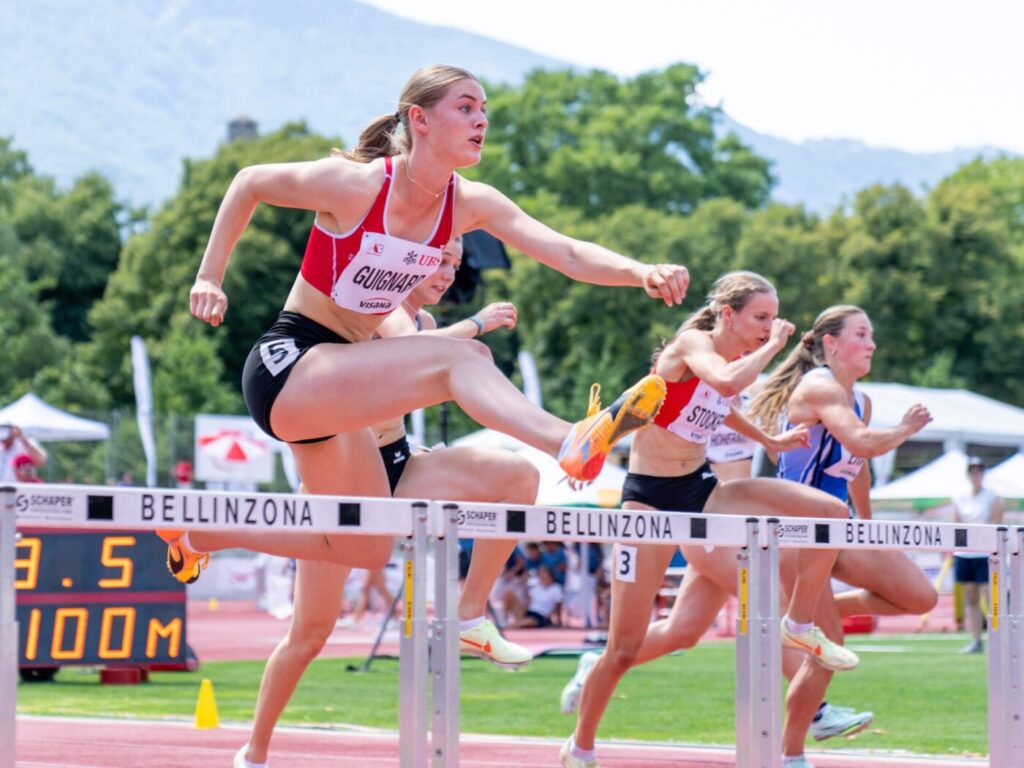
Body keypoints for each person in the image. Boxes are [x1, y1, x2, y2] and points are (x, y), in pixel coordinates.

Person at [159, 64, 688, 589]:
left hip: (342, 394)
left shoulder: (470, 203)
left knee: (363, 545)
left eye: (484, 110)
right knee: (465, 357)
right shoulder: (358, 186)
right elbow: (249, 182)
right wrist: (209, 277)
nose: (480, 120)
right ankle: (568, 441)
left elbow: (567, 251)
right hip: (292, 366)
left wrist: (640, 271)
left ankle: (199, 535)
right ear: (421, 119)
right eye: (465, 108)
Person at [232, 238, 549, 767]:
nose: (449, 273)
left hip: (399, 467)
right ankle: (254, 750)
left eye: (455, 263)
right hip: (341, 479)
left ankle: (470, 614)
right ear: (410, 261)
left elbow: (427, 356)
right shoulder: (369, 308)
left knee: (519, 477)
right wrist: (476, 324)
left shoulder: (420, 324)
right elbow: (434, 360)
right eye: (441, 261)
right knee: (309, 635)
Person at [560, 273, 858, 768]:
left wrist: (770, 441)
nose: (767, 327)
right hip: (648, 502)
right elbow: (723, 383)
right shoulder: (693, 344)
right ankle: (581, 746)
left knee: (828, 510)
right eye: (760, 317)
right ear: (728, 313)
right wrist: (778, 346)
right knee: (623, 648)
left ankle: (799, 623)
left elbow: (721, 405)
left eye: (771, 319)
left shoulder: (734, 361)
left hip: (702, 492)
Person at [952, 456, 1004, 654]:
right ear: (968, 475)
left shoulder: (993, 496)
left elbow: (995, 524)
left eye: (979, 471)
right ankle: (975, 640)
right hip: (965, 553)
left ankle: (996, 639)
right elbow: (957, 526)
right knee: (971, 598)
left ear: (983, 474)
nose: (976, 475)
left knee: (991, 598)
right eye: (973, 471)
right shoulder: (959, 497)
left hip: (985, 553)